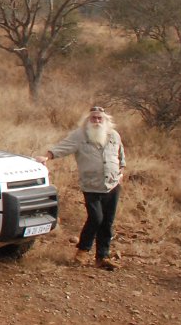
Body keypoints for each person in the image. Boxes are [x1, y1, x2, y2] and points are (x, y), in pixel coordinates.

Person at [36, 106, 126, 271]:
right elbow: (63, 147)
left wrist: (121, 171)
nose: (97, 121)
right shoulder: (80, 135)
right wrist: (47, 157)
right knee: (96, 218)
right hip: (91, 185)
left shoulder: (114, 135)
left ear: (106, 120)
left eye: (100, 118)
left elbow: (120, 156)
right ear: (88, 120)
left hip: (112, 185)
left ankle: (102, 257)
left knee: (108, 222)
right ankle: (82, 252)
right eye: (93, 118)